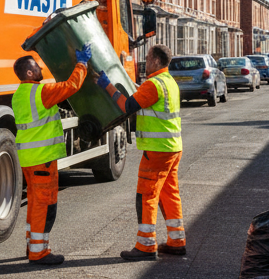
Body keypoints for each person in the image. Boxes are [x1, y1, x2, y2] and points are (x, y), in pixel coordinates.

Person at [97, 43, 185, 261]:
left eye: (148, 57)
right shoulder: (169, 82)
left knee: (147, 195)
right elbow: (143, 96)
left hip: (157, 151)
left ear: (155, 60)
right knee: (169, 193)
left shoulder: (154, 84)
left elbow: (127, 105)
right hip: (172, 148)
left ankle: (146, 245)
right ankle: (177, 241)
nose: (146, 61)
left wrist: (108, 86)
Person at [13, 43, 92, 265]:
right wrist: (82, 63)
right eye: (36, 67)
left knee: (34, 203)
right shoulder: (41, 92)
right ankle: (39, 252)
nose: (40, 68)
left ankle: (32, 245)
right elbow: (71, 86)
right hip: (42, 159)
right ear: (30, 73)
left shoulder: (19, 94)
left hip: (28, 159)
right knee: (44, 204)